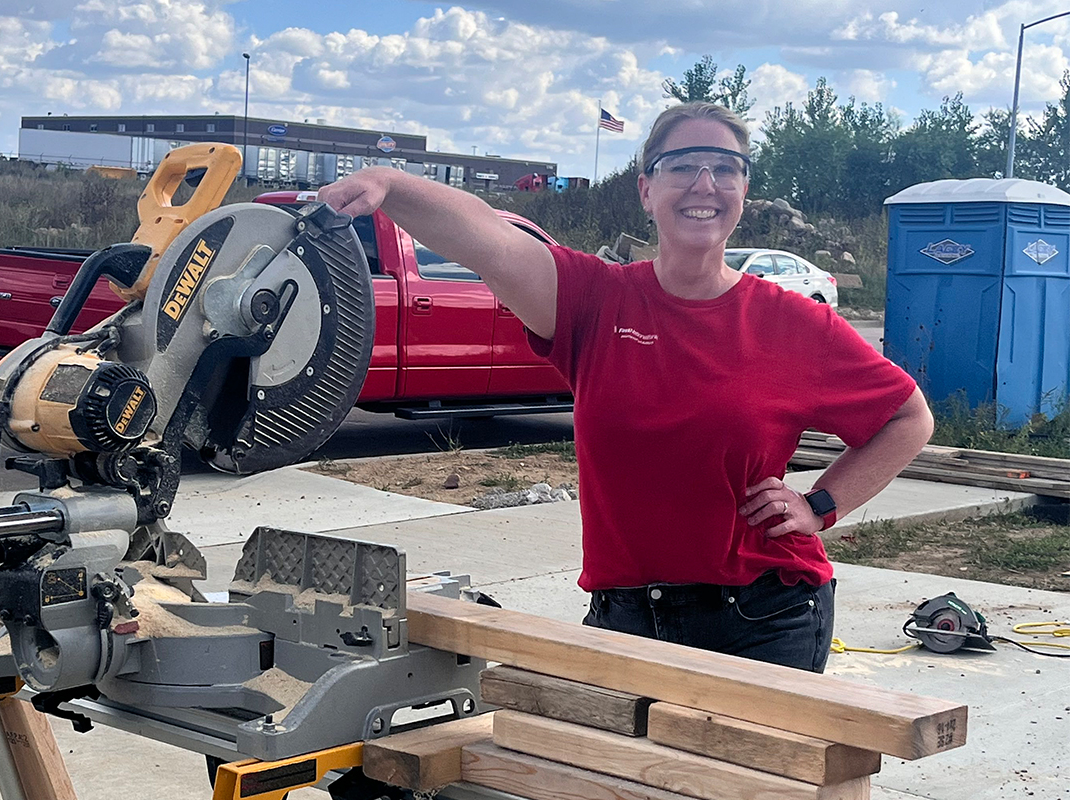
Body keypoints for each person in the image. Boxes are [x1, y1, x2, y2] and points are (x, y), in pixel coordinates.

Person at [317, 102, 934, 673]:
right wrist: (390, 185)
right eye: (683, 166)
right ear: (646, 188)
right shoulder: (594, 299)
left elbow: (908, 419)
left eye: (726, 168)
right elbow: (490, 237)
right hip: (625, 615)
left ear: (744, 190)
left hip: (764, 616)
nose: (705, 184)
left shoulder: (796, 324)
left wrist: (821, 506)